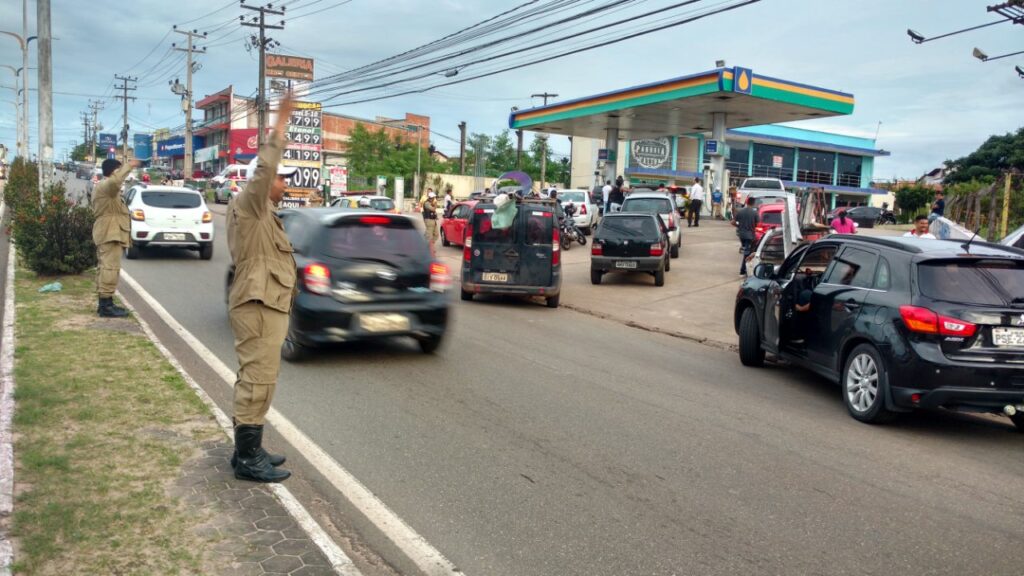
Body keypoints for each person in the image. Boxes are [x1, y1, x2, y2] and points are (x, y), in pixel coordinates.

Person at [226, 93, 298, 484]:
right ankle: (247, 457)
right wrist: (280, 124)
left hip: (265, 304)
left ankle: (248, 451)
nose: (284, 183)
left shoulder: (266, 213)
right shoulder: (250, 203)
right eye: (281, 177)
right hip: (256, 305)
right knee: (257, 381)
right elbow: (264, 168)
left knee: (261, 379)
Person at [92, 157, 141, 318]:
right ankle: (106, 306)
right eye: (118, 170)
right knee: (109, 268)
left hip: (110, 232)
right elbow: (115, 182)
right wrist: (129, 166)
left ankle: (106, 302)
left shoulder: (107, 188)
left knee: (107, 268)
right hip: (109, 233)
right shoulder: (107, 186)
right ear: (113, 172)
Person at [733, 197, 758, 276]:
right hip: (749, 236)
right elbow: (757, 223)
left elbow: (733, 222)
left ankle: (745, 269)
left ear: (747, 202)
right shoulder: (755, 213)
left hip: (741, 235)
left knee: (746, 251)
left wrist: (739, 226)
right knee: (747, 253)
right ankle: (742, 271)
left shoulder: (741, 211)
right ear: (753, 203)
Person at [422, 190, 440, 255]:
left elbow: (433, 212)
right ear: (431, 197)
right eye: (434, 197)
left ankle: (429, 246)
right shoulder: (426, 203)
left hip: (433, 220)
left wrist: (436, 216)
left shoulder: (430, 203)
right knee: (429, 236)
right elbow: (432, 209)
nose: (434, 199)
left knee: (436, 234)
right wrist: (435, 205)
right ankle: (429, 249)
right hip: (429, 220)